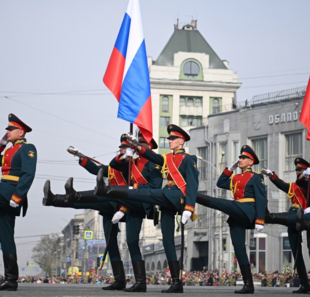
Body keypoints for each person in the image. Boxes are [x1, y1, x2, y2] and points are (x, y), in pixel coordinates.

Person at [44, 133, 162, 292]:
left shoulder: (153, 163)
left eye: (135, 145)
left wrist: (125, 204)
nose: (126, 149)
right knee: (110, 241)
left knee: (131, 241)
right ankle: (56, 199)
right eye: (124, 147)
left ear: (148, 147)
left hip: (134, 204)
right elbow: (101, 168)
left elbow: (153, 189)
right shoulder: (127, 163)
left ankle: (140, 282)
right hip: (115, 203)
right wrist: (82, 157)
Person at [94, 124, 199, 293]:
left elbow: (193, 184)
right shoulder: (166, 158)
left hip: (176, 196)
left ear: (181, 141)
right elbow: (151, 155)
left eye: (172, 139)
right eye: (169, 138)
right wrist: (134, 146)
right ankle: (177, 283)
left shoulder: (189, 159)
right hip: (166, 199)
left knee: (144, 193)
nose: (170, 141)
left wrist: (189, 207)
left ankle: (109, 191)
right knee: (167, 241)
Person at [196, 145, 266, 294]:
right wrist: (230, 169)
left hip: (247, 210)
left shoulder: (256, 176)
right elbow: (220, 183)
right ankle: (248, 285)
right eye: (239, 157)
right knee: (239, 249)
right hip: (236, 214)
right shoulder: (235, 178)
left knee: (223, 203)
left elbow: (261, 198)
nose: (240, 159)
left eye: (243, 158)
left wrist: (260, 219)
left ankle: (195, 196)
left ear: (251, 162)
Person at [0, 114, 37, 291]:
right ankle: (11, 280)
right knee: (6, 236)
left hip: (10, 193)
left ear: (20, 132)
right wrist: (1, 145)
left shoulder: (27, 148)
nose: (7, 132)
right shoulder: (8, 149)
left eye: (10, 129)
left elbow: (28, 174)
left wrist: (18, 196)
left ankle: (10, 278)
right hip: (4, 190)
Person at [262, 158, 310, 293]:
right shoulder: (294, 186)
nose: (297, 172)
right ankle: (305, 284)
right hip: (293, 216)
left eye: (300, 169)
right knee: (296, 252)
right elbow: (282, 185)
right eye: (296, 169)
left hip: (307, 217)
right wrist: (272, 176)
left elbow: (303, 183)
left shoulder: (307, 184)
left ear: (306, 170)